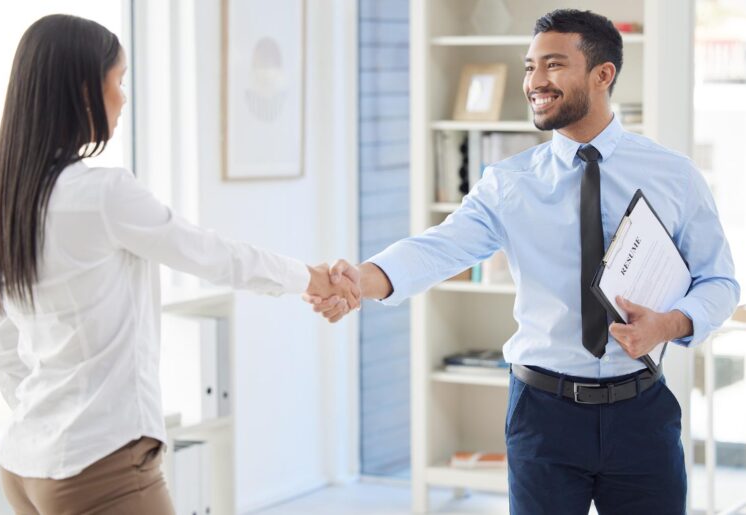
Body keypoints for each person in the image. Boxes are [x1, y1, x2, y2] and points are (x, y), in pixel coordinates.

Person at [308, 9, 739, 515]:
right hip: (543, 416)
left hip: (642, 411)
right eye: (529, 67)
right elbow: (437, 248)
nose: (535, 82)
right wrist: (361, 279)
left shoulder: (675, 176)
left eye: (553, 65)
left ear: (603, 75)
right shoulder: (508, 183)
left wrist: (669, 323)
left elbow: (720, 281)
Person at [0, 14, 358, 515]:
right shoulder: (102, 195)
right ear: (86, 92)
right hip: (98, 464)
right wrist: (310, 276)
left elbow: (3, 344)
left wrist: (46, 421)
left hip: (25, 463)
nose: (125, 97)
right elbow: (210, 254)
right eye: (120, 80)